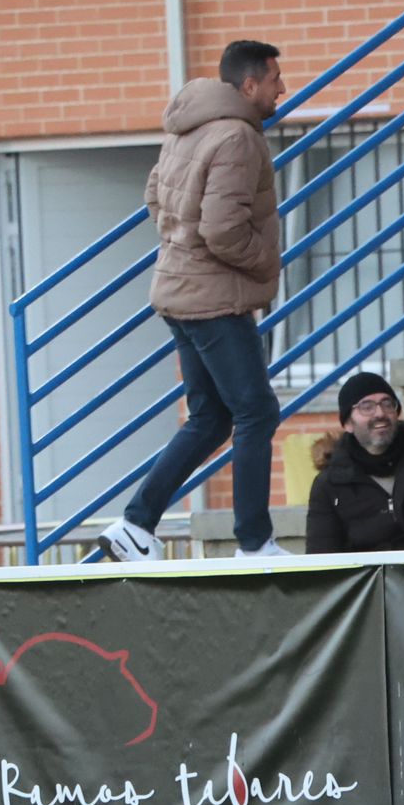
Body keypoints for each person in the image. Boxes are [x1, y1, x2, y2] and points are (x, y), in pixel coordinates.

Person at [100, 40, 289, 563]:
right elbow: (223, 229)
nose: (282, 89)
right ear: (248, 86)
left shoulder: (186, 127)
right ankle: (254, 543)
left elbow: (155, 199)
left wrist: (182, 243)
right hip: (213, 298)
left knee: (210, 416)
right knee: (256, 412)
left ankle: (135, 525)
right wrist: (265, 263)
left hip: (179, 290)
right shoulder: (238, 137)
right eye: (275, 78)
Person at [305, 372, 404, 554]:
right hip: (364, 581)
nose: (380, 413)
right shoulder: (329, 483)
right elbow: (321, 558)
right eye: (367, 407)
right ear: (348, 423)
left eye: (387, 404)